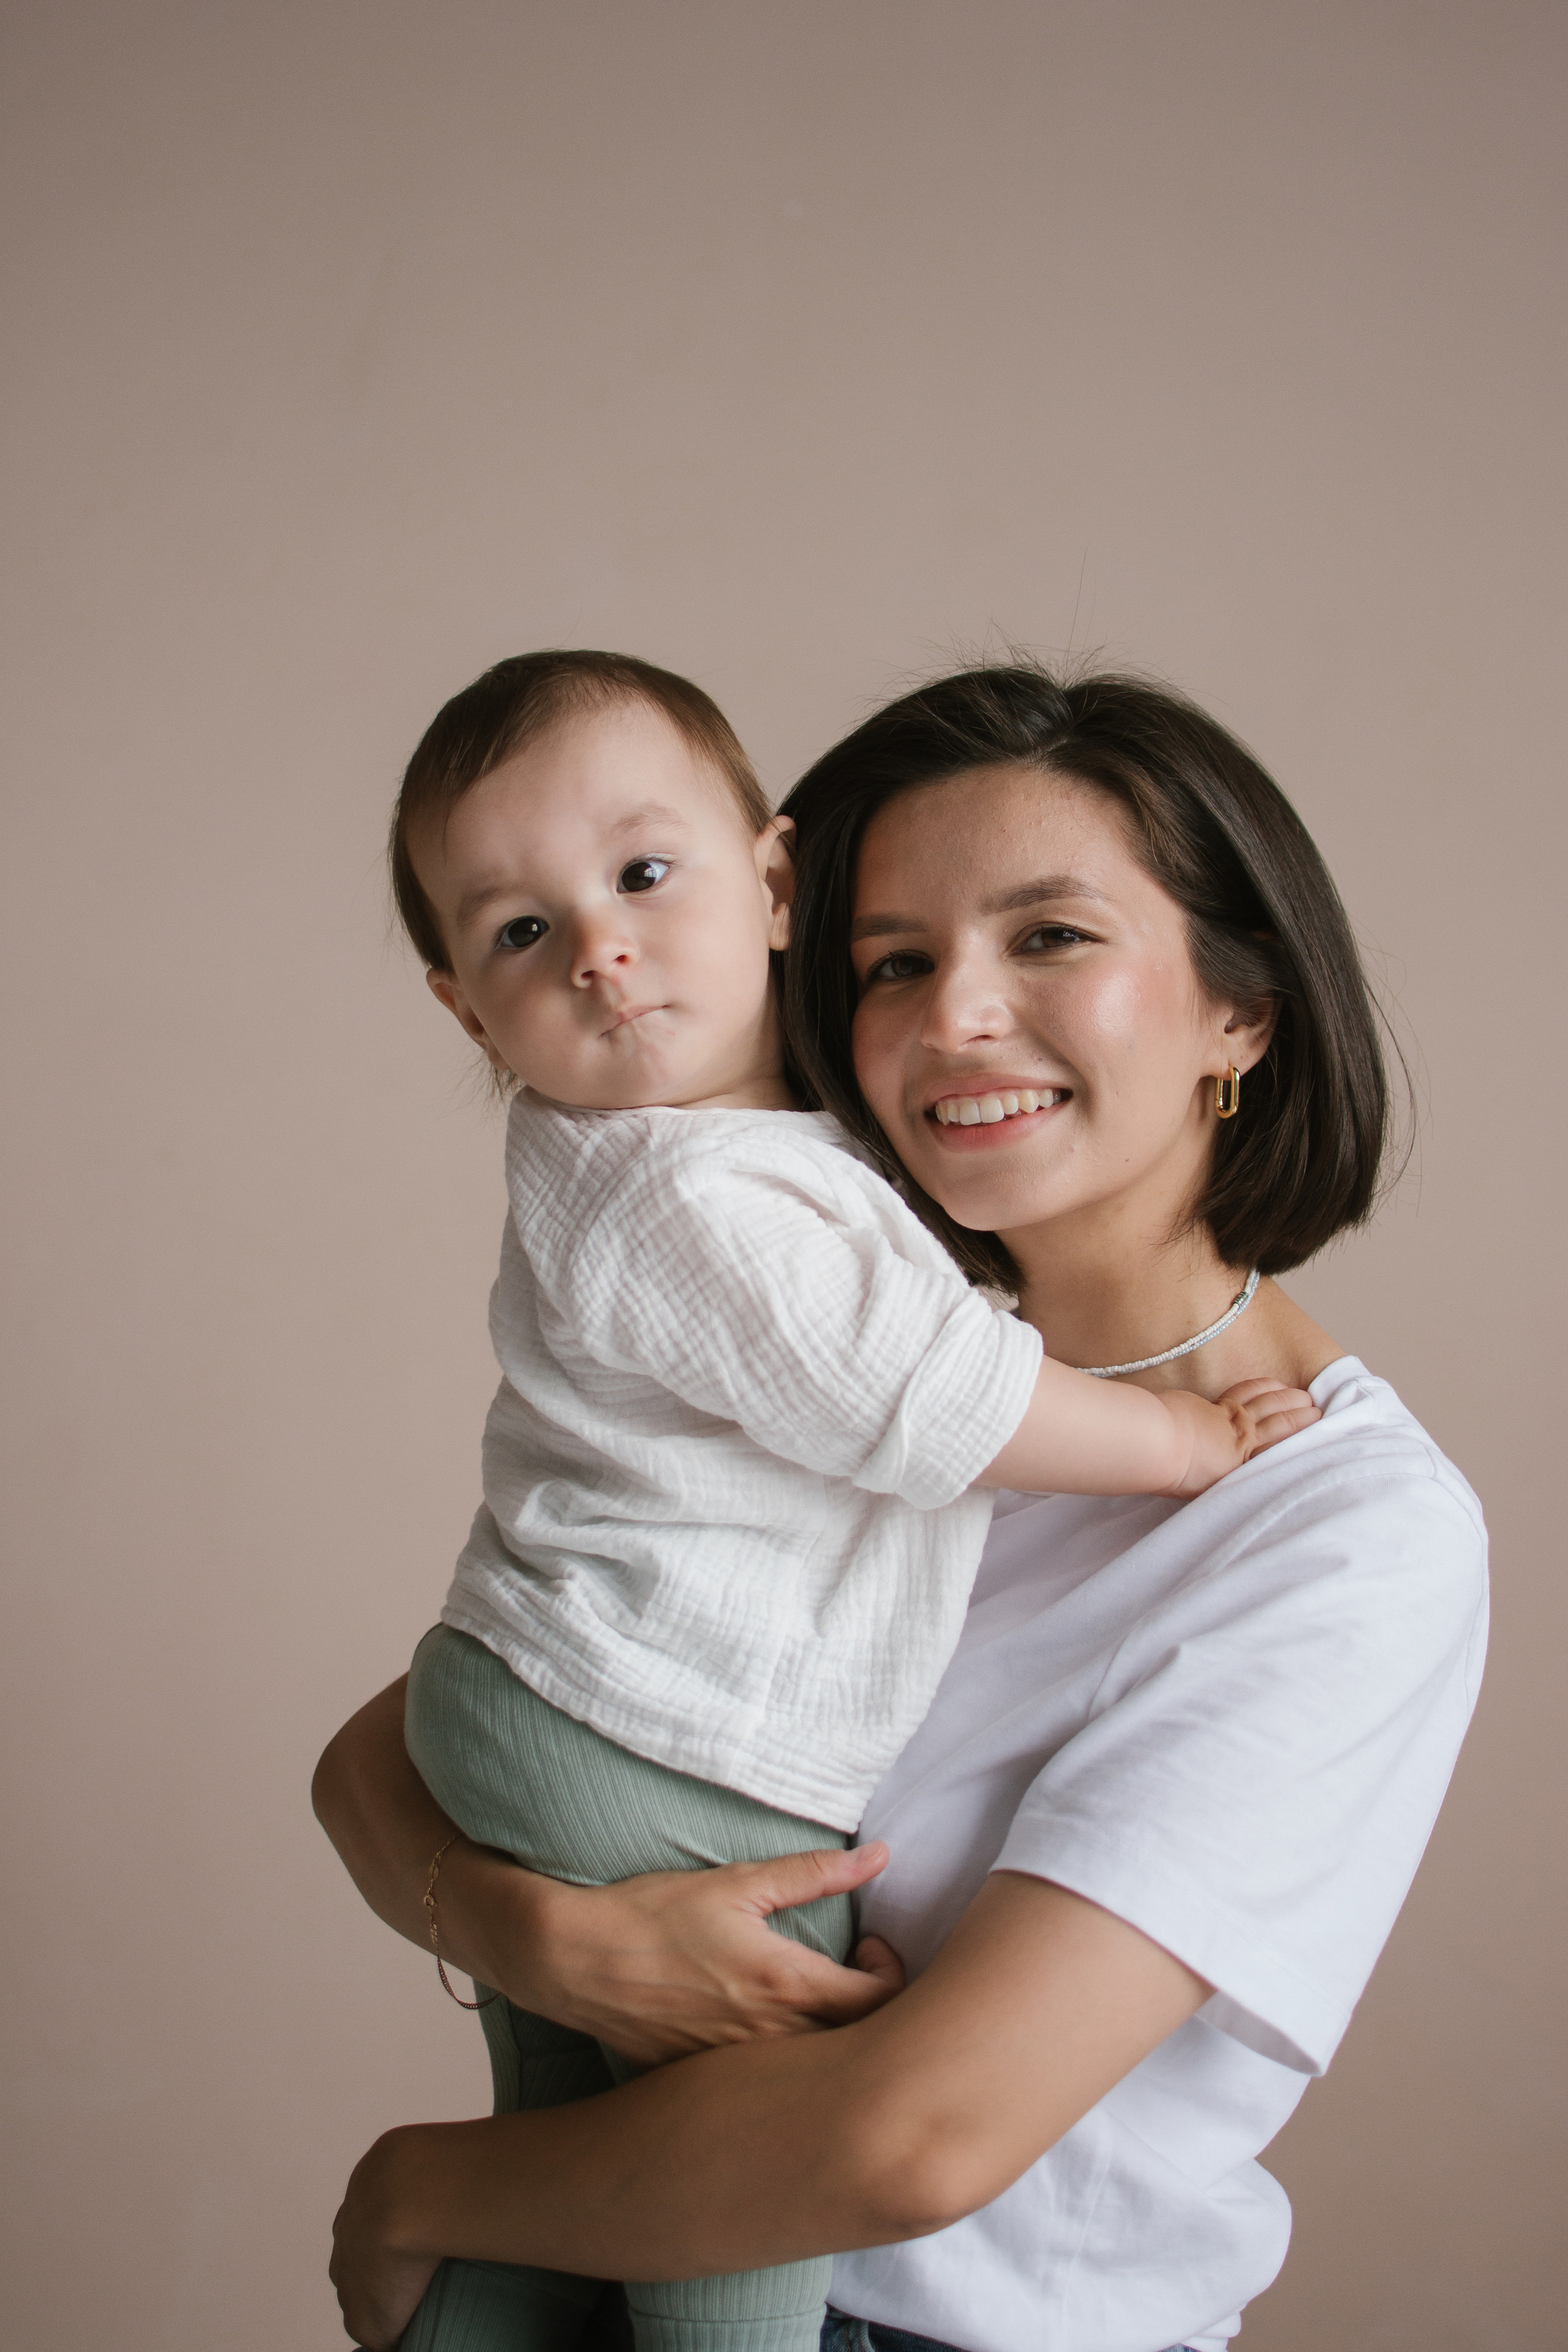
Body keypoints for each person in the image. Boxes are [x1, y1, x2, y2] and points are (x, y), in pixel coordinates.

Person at [315, 665, 1487, 2352]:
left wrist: (419, 2193)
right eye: (894, 963)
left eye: (1052, 936)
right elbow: (389, 1754)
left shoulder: (1341, 1528)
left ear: (1242, 1010)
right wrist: (548, 1939)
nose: (957, 1018)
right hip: (615, 2260)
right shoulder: (827, 1348)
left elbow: (916, 2138)